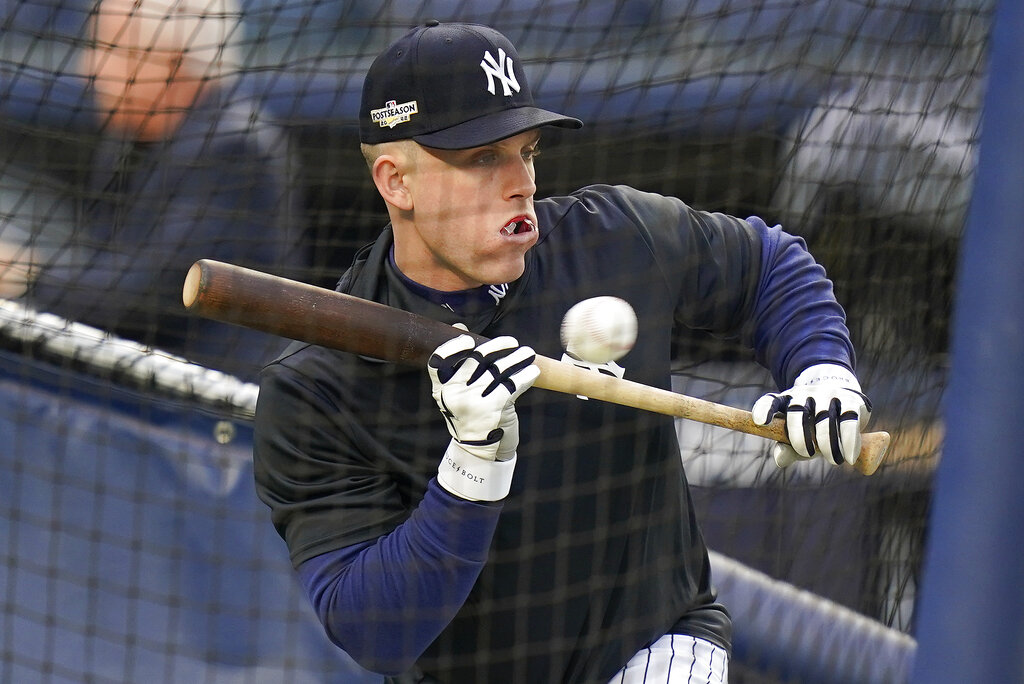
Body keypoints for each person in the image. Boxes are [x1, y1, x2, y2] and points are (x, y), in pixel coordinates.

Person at [253, 21, 872, 683]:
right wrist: (473, 466)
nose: (520, 182)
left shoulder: (613, 239)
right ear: (395, 182)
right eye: (482, 158)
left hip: (654, 645)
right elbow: (375, 630)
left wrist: (822, 373)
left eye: (527, 151)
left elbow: (771, 265)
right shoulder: (317, 387)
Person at [4, 0, 303, 379]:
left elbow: (158, 290)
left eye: (109, 49)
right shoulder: (129, 143)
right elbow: (107, 269)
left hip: (216, 403)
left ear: (170, 63)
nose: (89, 70)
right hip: (145, 382)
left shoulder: (235, 145)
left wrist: (29, 276)